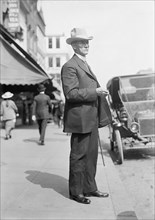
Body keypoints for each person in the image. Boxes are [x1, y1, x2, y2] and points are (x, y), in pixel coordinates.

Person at [61, 28, 112, 204]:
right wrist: (95, 91)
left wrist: (98, 94)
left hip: (91, 117)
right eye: (81, 42)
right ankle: (76, 192)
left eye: (87, 42)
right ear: (73, 46)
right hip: (80, 119)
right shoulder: (69, 66)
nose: (86, 45)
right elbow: (71, 94)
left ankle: (90, 187)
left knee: (91, 155)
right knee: (79, 156)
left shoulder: (83, 64)